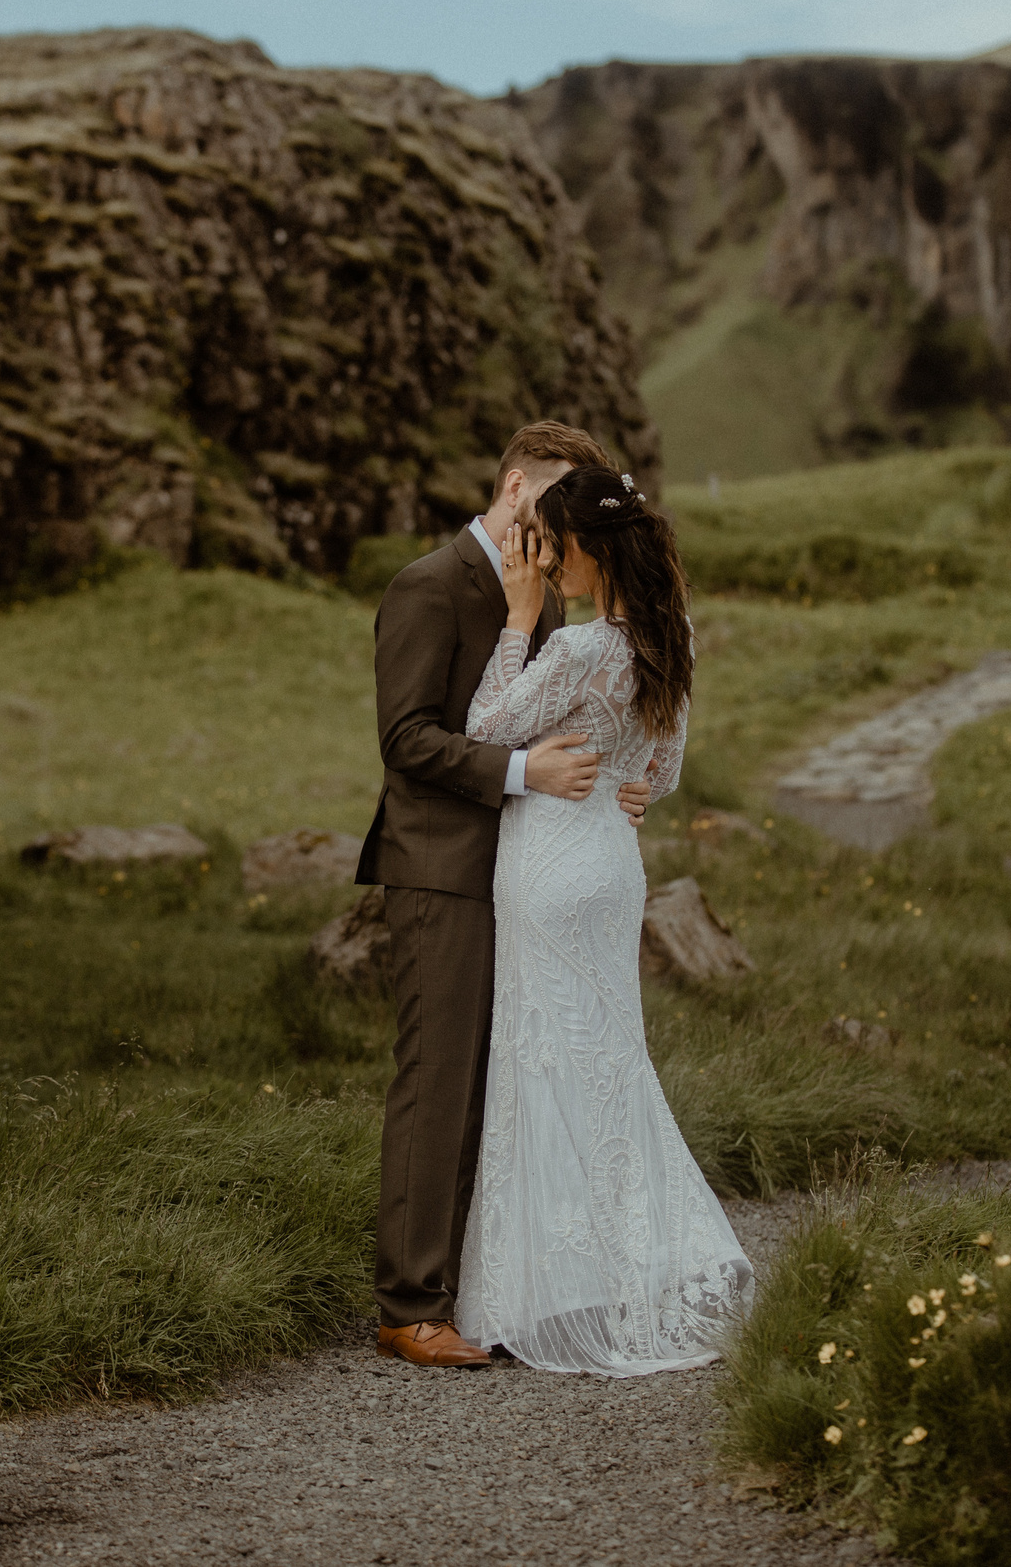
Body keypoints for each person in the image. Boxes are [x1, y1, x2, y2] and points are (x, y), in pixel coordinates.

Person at [357, 422, 653, 1369]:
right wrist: (526, 771)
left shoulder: (549, 597)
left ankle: (484, 1287)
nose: (563, 522)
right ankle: (409, 1306)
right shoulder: (428, 585)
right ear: (516, 483)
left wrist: (617, 784)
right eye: (556, 498)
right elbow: (407, 740)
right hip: (441, 866)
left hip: (528, 874)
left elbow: (563, 716)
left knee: (505, 1083)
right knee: (439, 1078)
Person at [454, 463, 752, 1376]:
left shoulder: (582, 648)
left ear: (583, 547)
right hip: (612, 866)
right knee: (608, 1063)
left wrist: (515, 616)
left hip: (548, 867)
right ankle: (630, 1263)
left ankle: (532, 1291)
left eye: (551, 545)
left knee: (540, 1061)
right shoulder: (671, 638)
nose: (545, 560)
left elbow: (483, 725)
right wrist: (625, 789)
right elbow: (657, 777)